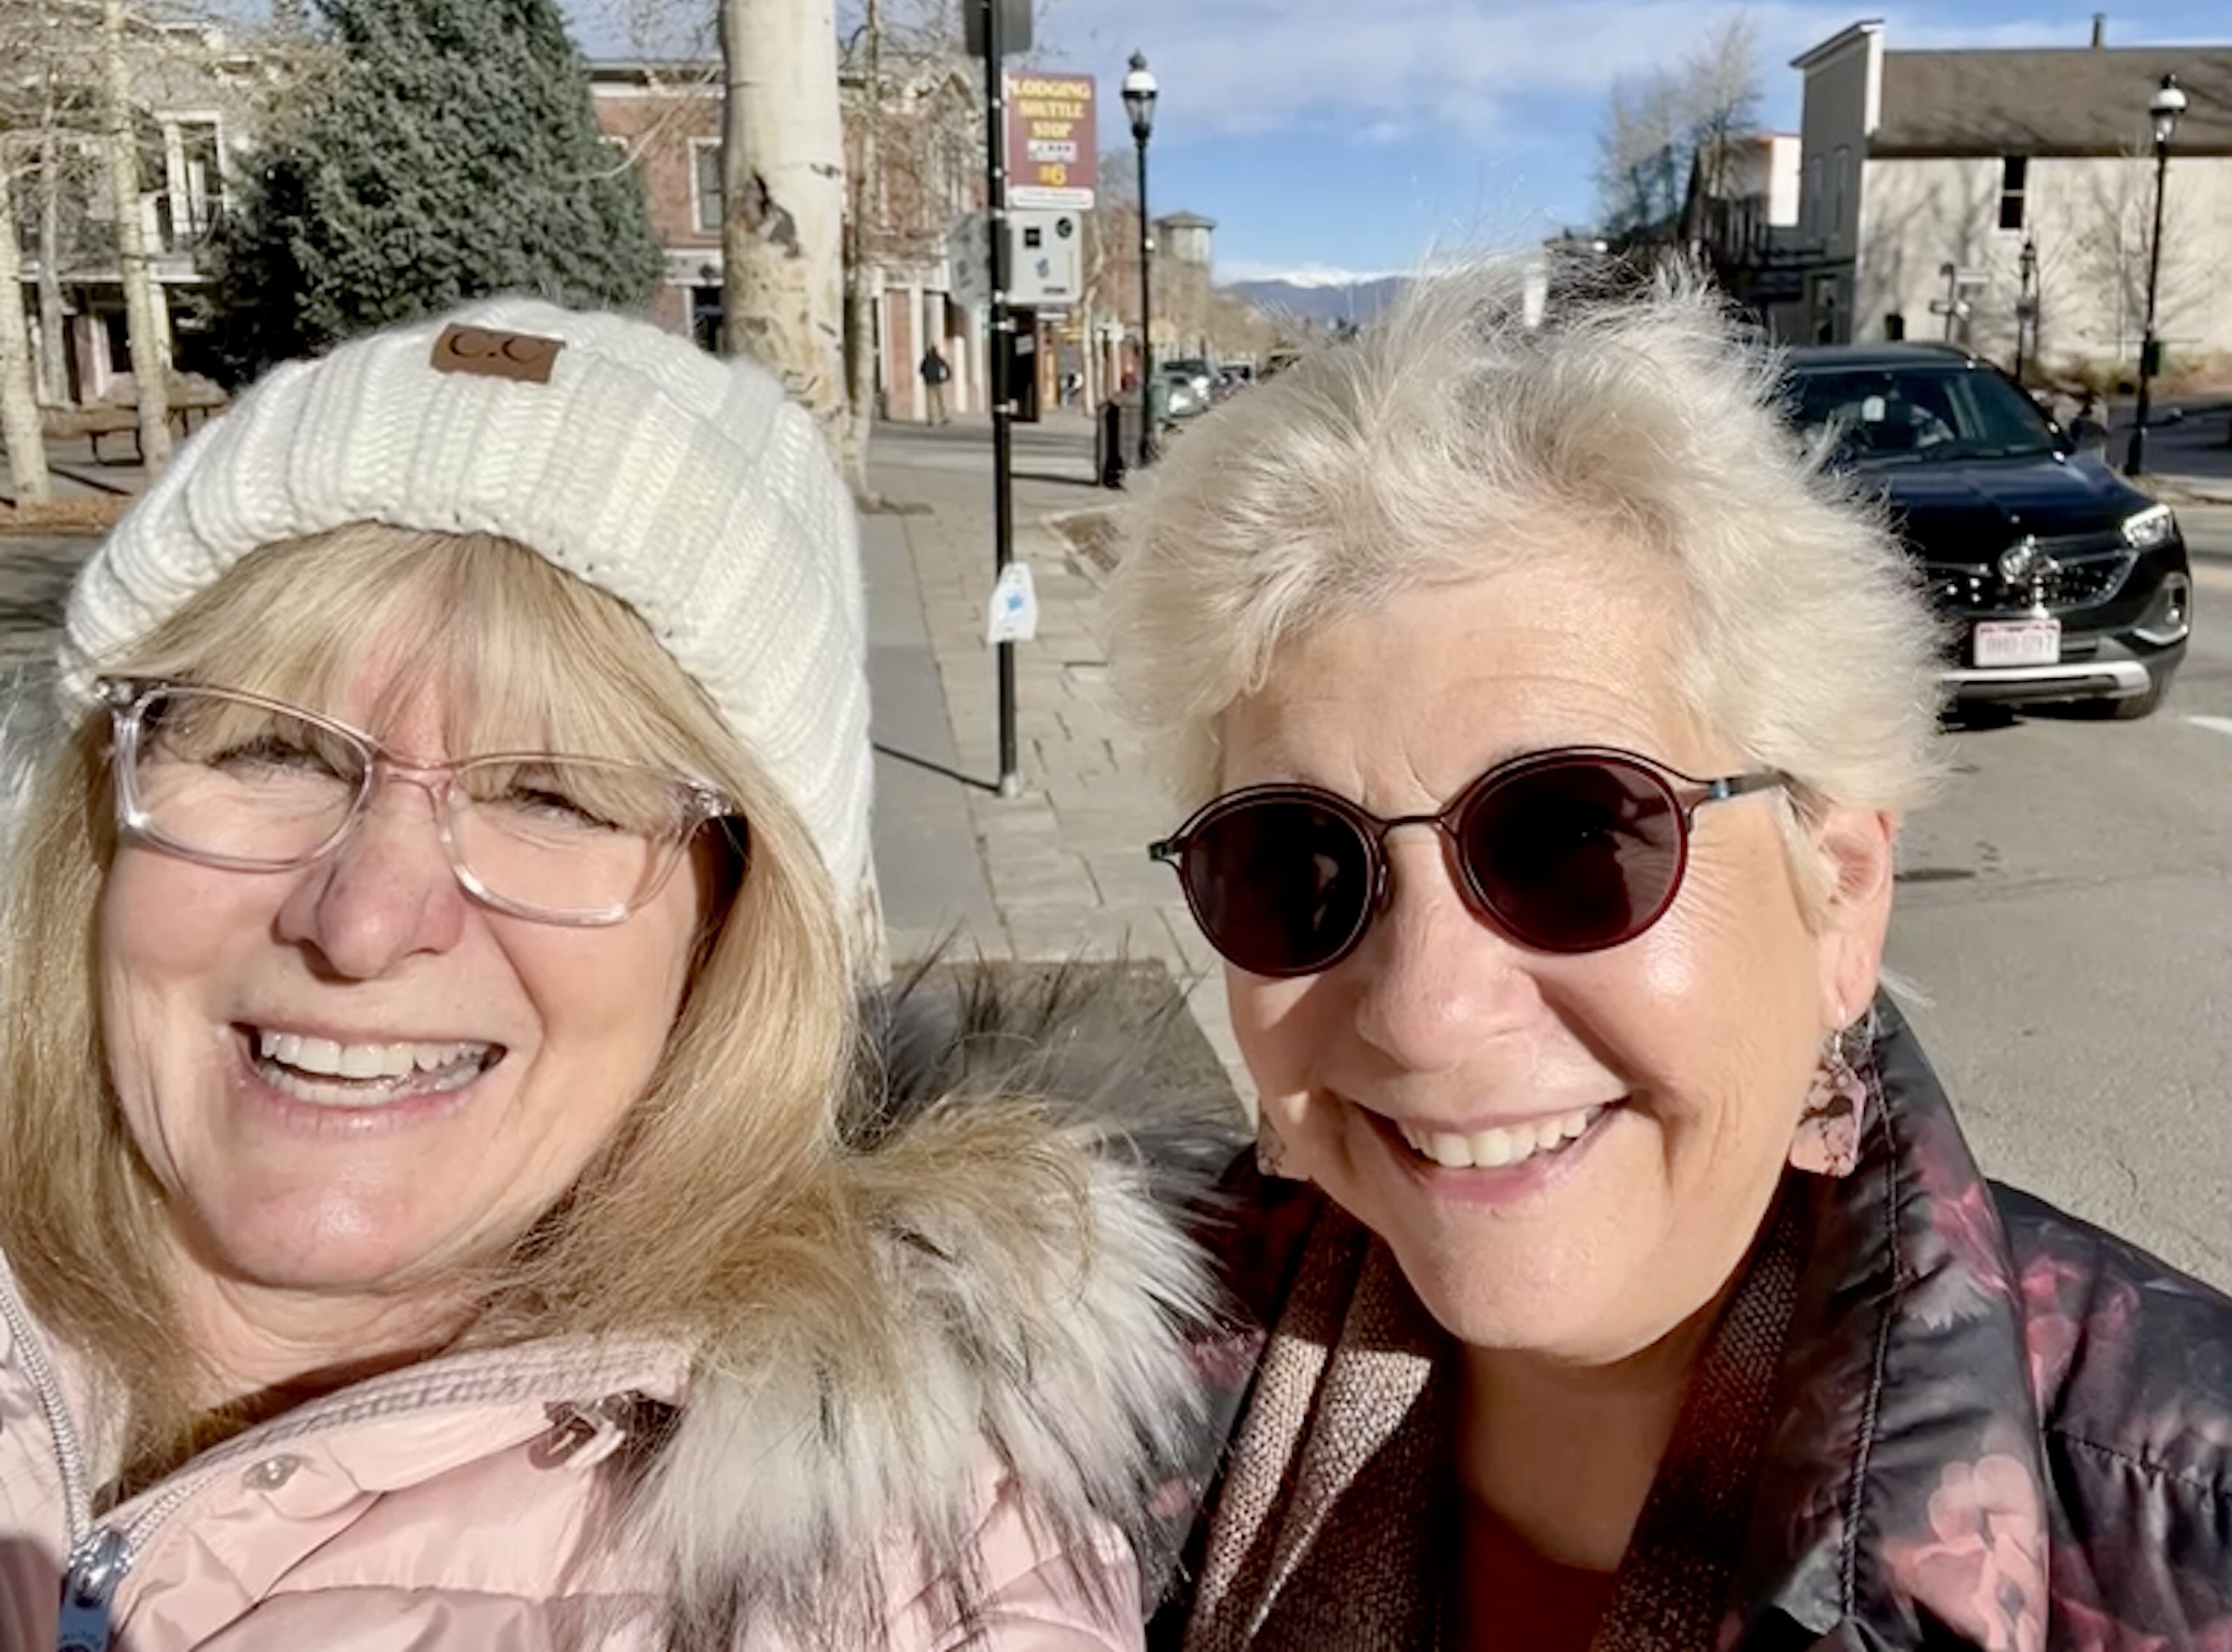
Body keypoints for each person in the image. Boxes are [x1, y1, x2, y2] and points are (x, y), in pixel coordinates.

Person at [0, 297, 1220, 1649]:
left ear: (732, 932)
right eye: (270, 751)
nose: (363, 922)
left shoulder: (912, 1577)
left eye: (554, 796)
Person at [1109, 257, 2232, 1648]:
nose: (1421, 1012)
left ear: (1839, 892)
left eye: (1572, 839)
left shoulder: (2181, 1533)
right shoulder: (1067, 1417)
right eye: (1297, 864)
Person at [920, 344, 952, 425]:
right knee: (940, 401)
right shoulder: (937, 359)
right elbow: (947, 367)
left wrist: (926, 377)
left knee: (932, 402)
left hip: (931, 383)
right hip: (937, 382)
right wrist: (947, 377)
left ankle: (932, 419)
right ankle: (943, 417)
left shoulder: (926, 360)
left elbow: (921, 370)